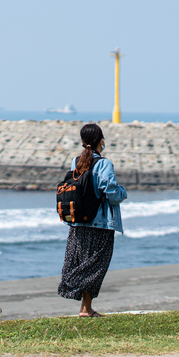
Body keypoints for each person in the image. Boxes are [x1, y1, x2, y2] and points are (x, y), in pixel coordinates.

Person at [58, 122, 127, 317]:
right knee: (95, 265)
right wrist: (123, 192)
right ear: (100, 141)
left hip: (78, 222)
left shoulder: (76, 161)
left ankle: (85, 308)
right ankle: (78, 293)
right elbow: (112, 193)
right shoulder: (104, 164)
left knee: (84, 262)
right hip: (100, 223)